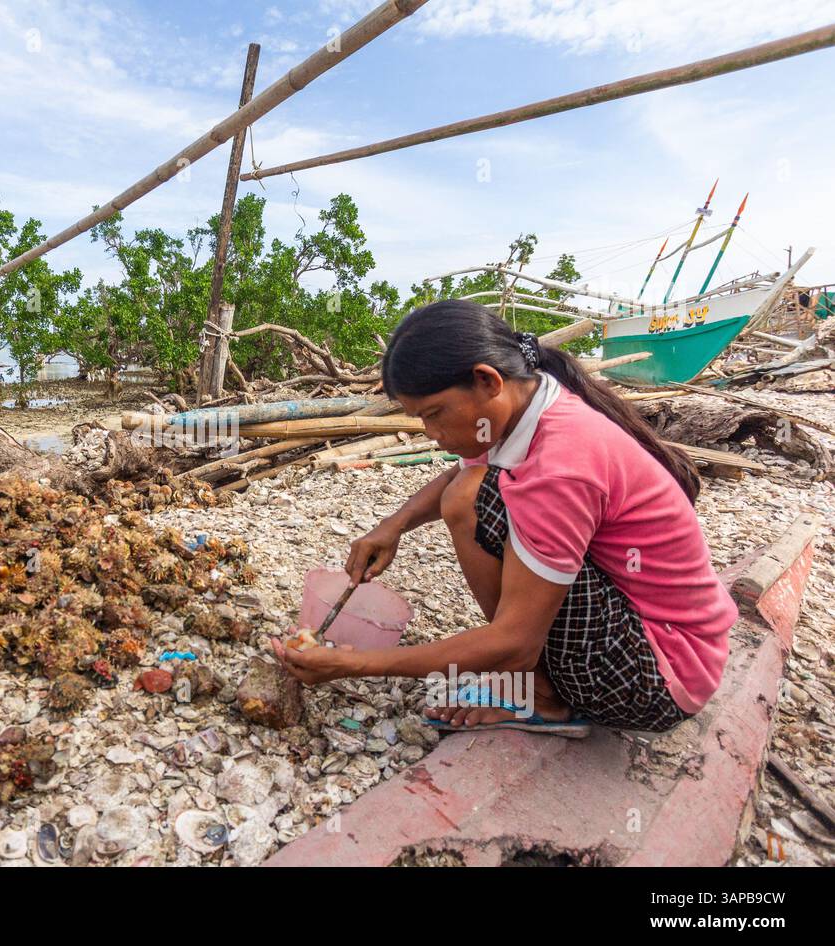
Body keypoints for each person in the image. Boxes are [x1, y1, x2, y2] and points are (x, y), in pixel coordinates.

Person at [271, 299, 737, 734]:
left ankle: (543, 697)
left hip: (651, 681)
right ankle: (541, 683)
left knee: (472, 503)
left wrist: (354, 665)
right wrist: (392, 526)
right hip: (666, 642)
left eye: (434, 414)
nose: (432, 434)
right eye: (420, 420)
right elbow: (464, 474)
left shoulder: (560, 467)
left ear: (487, 381)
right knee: (467, 491)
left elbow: (514, 642)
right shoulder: (532, 403)